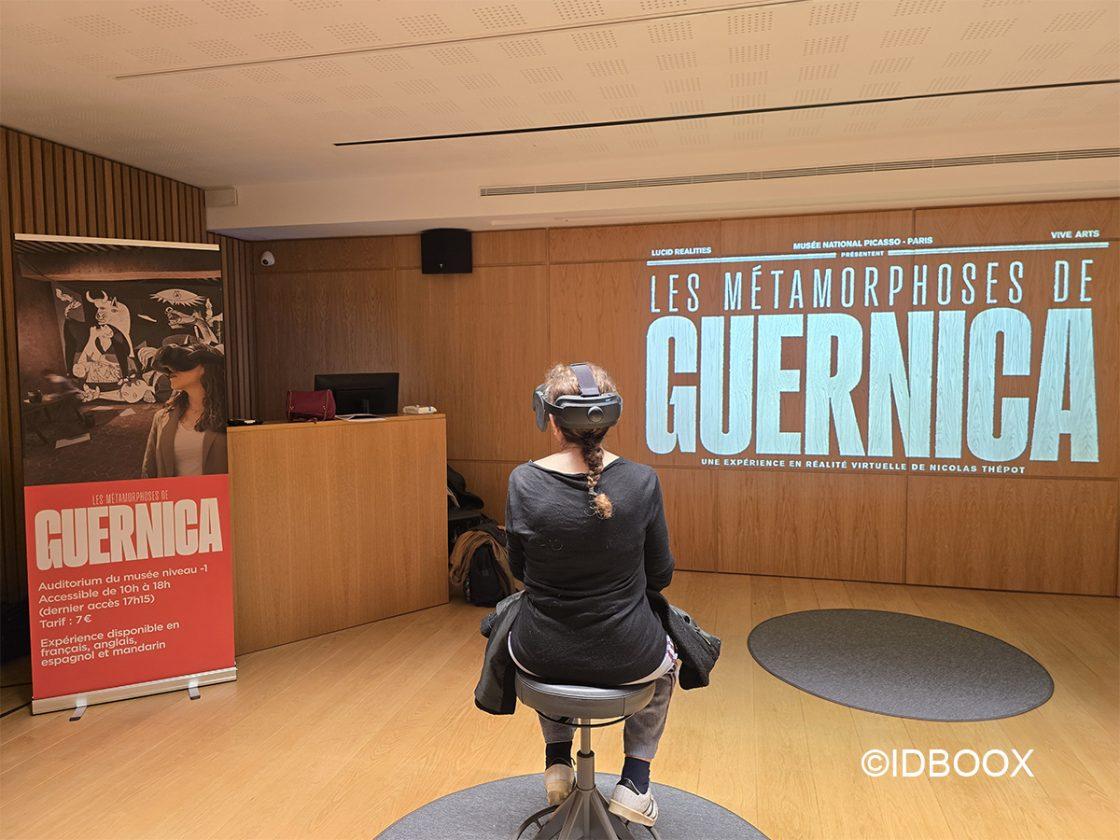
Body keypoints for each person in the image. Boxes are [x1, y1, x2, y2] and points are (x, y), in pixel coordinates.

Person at [505, 362, 676, 828]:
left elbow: (519, 572)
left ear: (552, 421)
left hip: (540, 655)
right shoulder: (643, 481)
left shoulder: (523, 481)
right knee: (670, 658)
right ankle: (635, 783)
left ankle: (558, 761)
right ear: (610, 419)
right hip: (628, 655)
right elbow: (660, 575)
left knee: (536, 626)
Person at [140, 335, 228, 478]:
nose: (170, 371)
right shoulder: (162, 418)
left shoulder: (230, 414)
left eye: (181, 363)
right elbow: (149, 473)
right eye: (168, 367)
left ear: (205, 368)